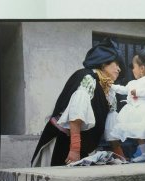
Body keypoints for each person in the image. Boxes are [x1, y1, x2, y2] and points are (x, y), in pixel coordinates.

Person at [31, 37, 126, 167]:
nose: (119, 69)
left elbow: (111, 126)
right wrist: (74, 149)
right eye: (117, 64)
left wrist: (119, 154)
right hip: (64, 141)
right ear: (104, 63)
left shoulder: (109, 90)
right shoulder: (88, 78)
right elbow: (76, 114)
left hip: (83, 146)